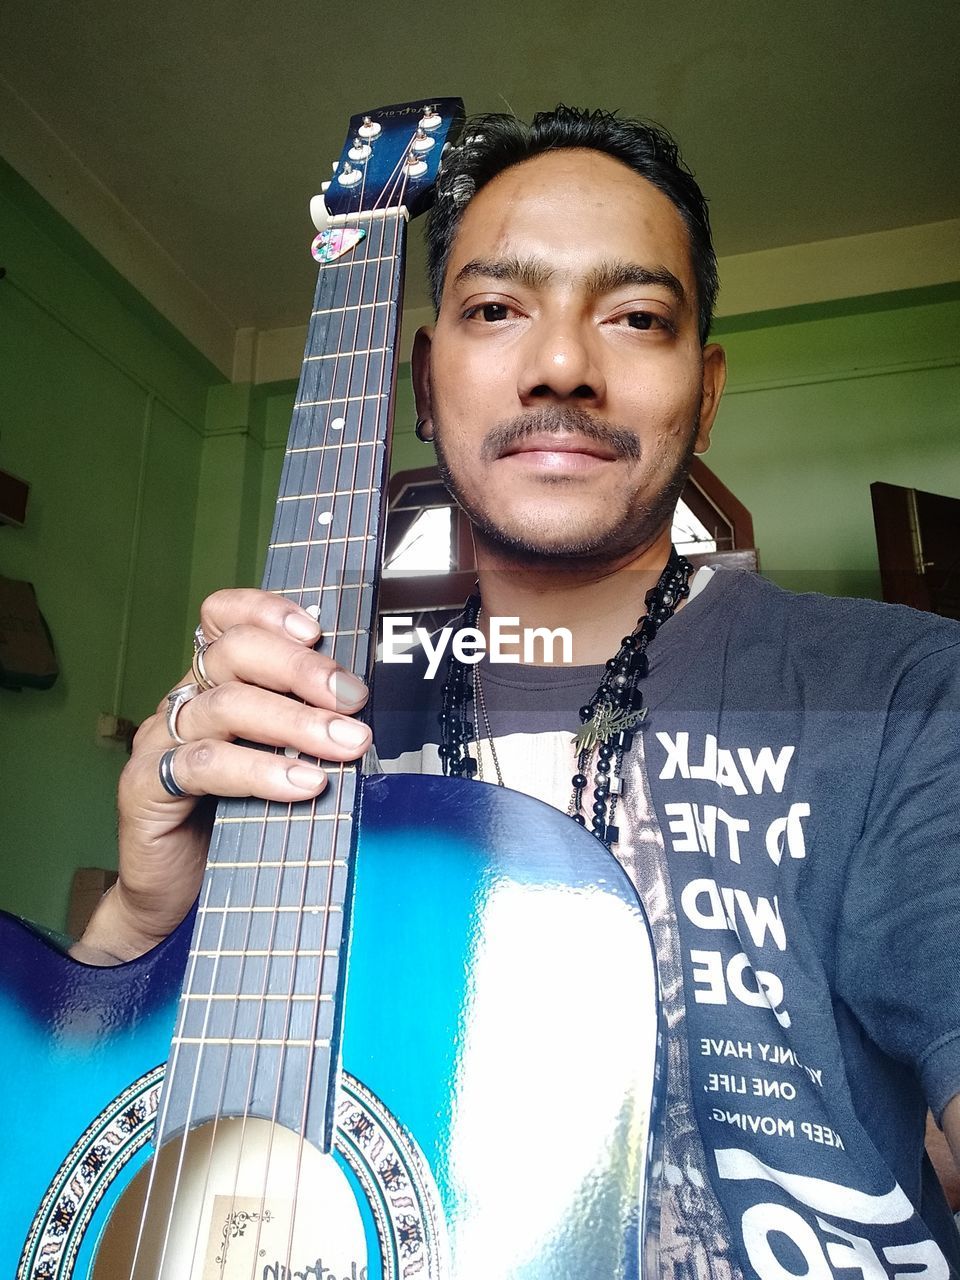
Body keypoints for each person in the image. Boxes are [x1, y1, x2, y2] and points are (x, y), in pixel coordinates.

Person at [75, 107, 960, 1276]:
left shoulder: (902, 689)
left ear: (705, 390)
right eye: (497, 309)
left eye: (637, 317)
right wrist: (141, 922)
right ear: (424, 384)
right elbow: (82, 1132)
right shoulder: (291, 713)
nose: (561, 366)